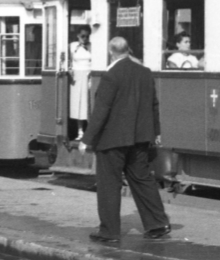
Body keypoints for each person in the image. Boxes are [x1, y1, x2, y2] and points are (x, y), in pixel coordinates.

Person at [81, 37, 170, 244]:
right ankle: (158, 223)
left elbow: (102, 110)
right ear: (128, 50)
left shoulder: (111, 75)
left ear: (111, 52)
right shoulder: (145, 72)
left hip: (112, 140)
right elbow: (153, 105)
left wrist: (87, 139)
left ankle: (109, 232)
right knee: (142, 179)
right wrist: (155, 132)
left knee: (109, 184)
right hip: (140, 139)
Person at [67, 27, 93, 140]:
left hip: (89, 75)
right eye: (83, 36)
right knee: (78, 105)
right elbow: (67, 60)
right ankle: (80, 131)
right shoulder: (72, 46)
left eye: (87, 36)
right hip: (76, 77)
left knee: (88, 104)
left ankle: (90, 131)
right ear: (78, 36)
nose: (85, 38)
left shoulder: (92, 46)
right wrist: (69, 69)